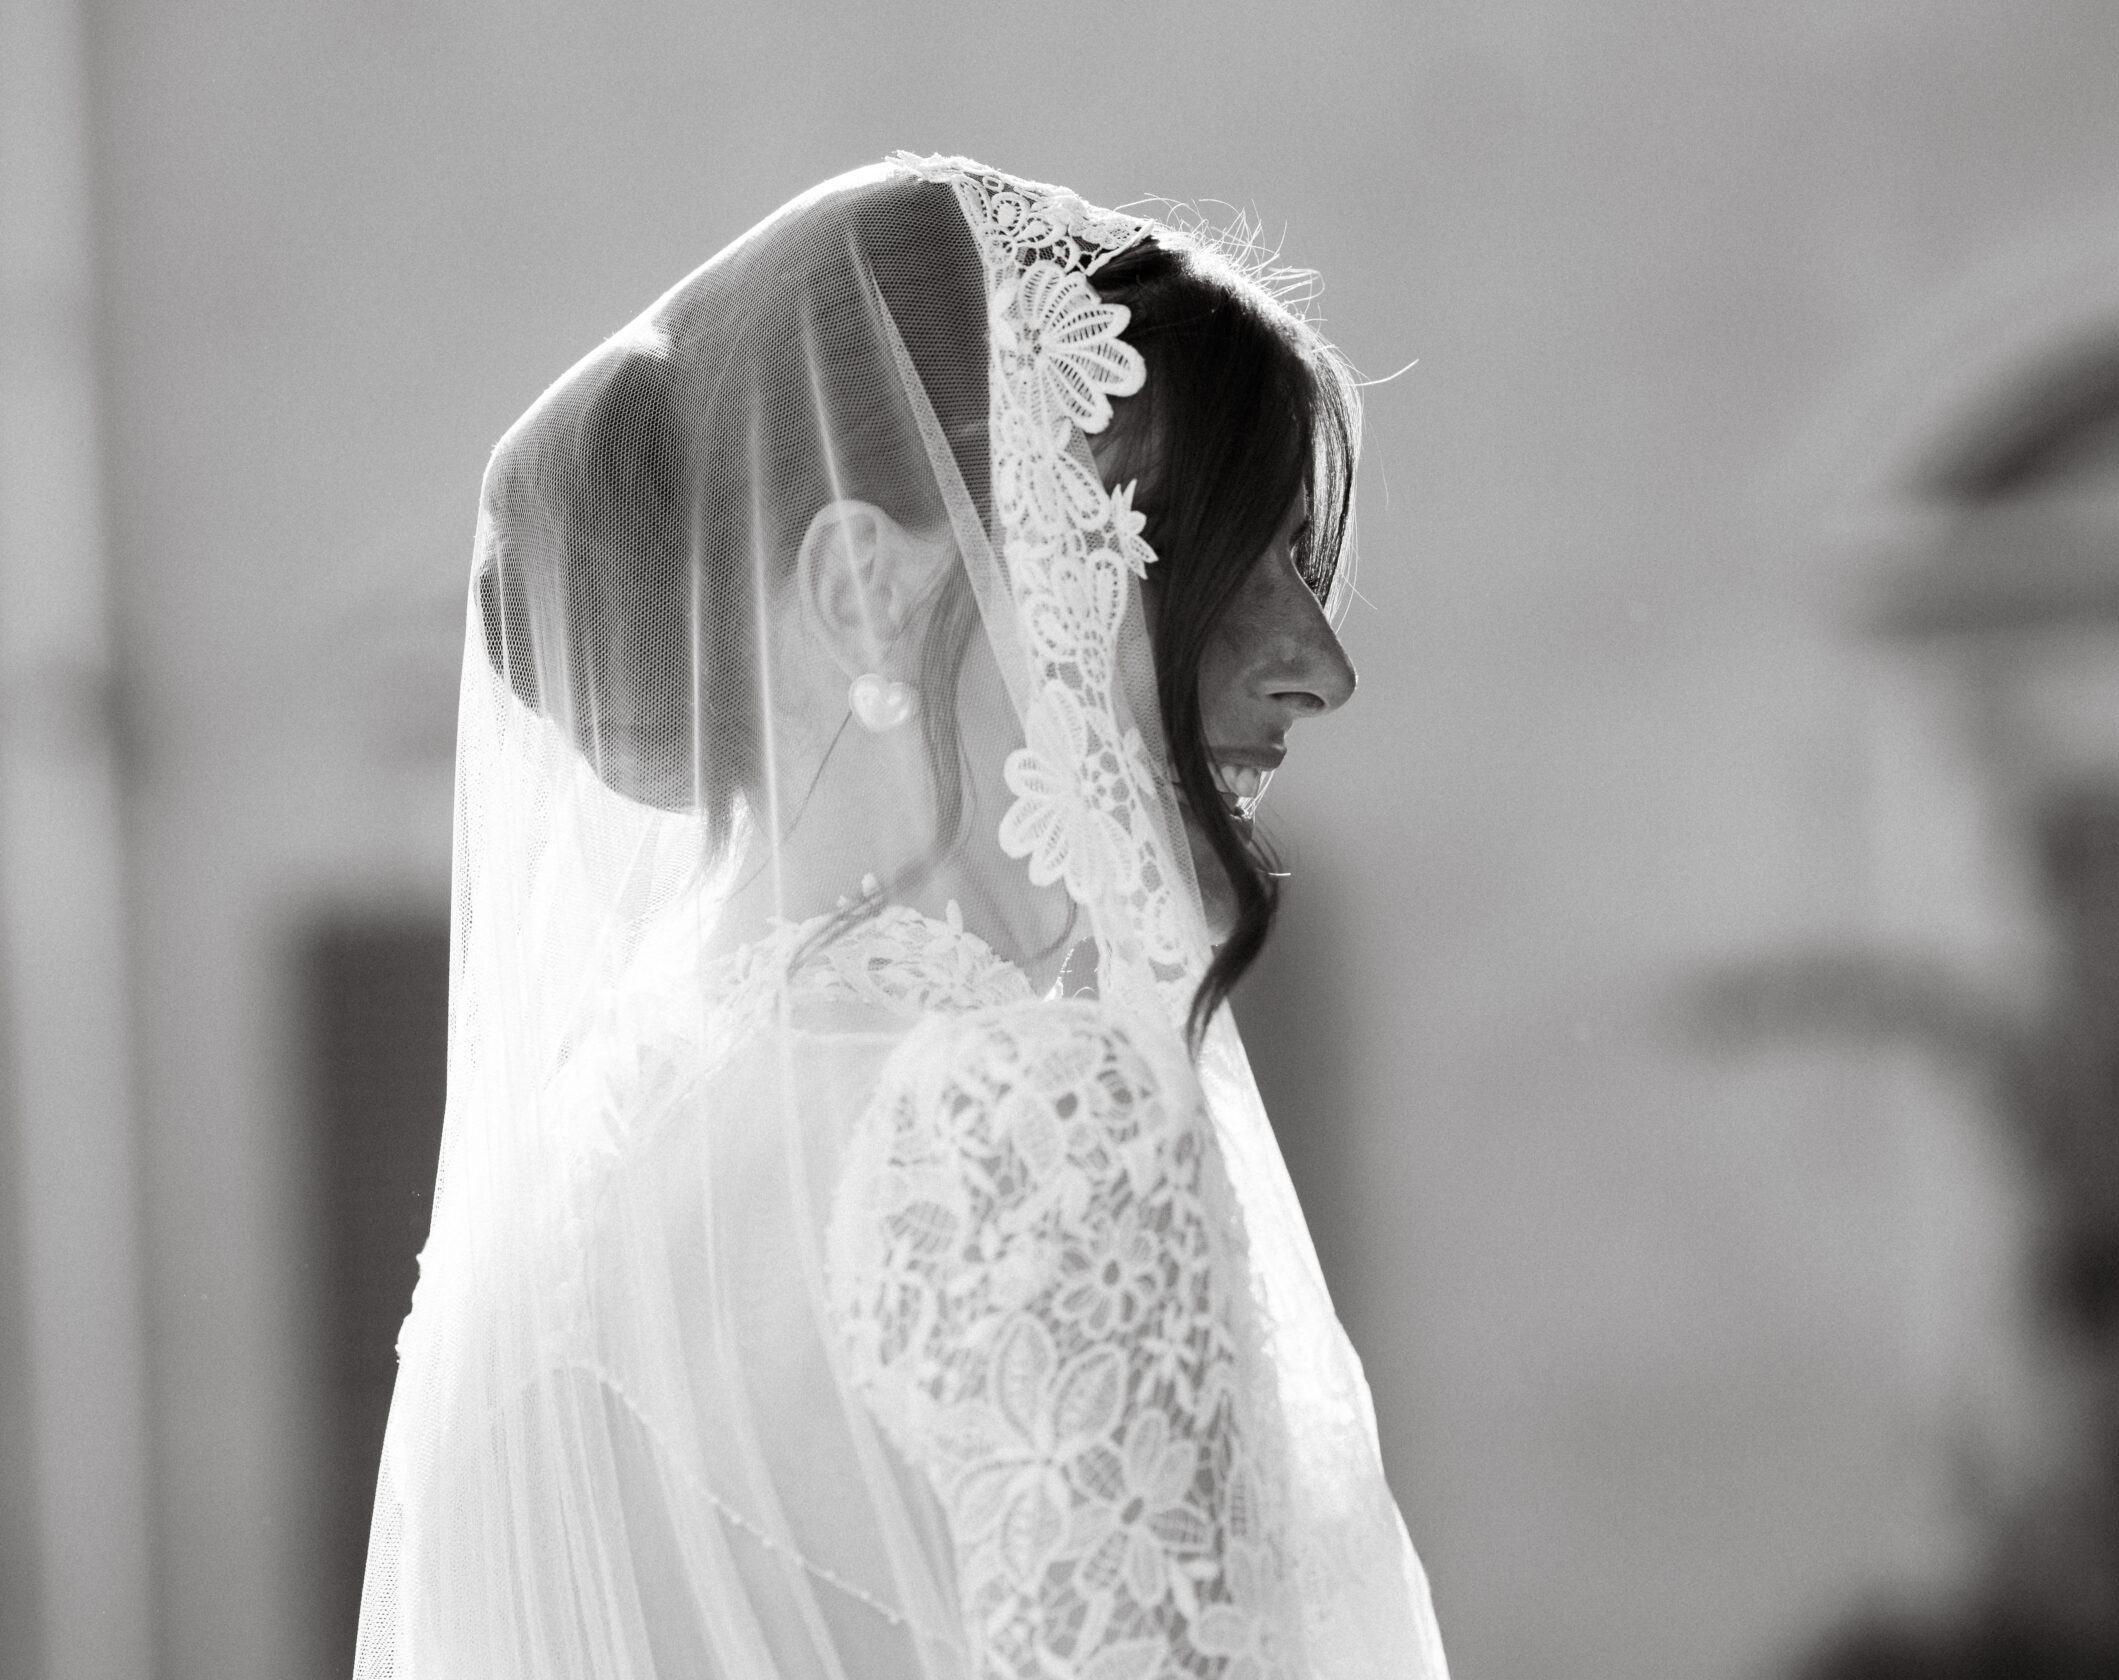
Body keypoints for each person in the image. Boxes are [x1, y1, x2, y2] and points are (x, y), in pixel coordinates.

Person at [352, 155, 1448, 1680]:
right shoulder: (1034, 1130)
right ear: (867, 586)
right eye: (1186, 553)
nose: (1318, 665)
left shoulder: (576, 1176)